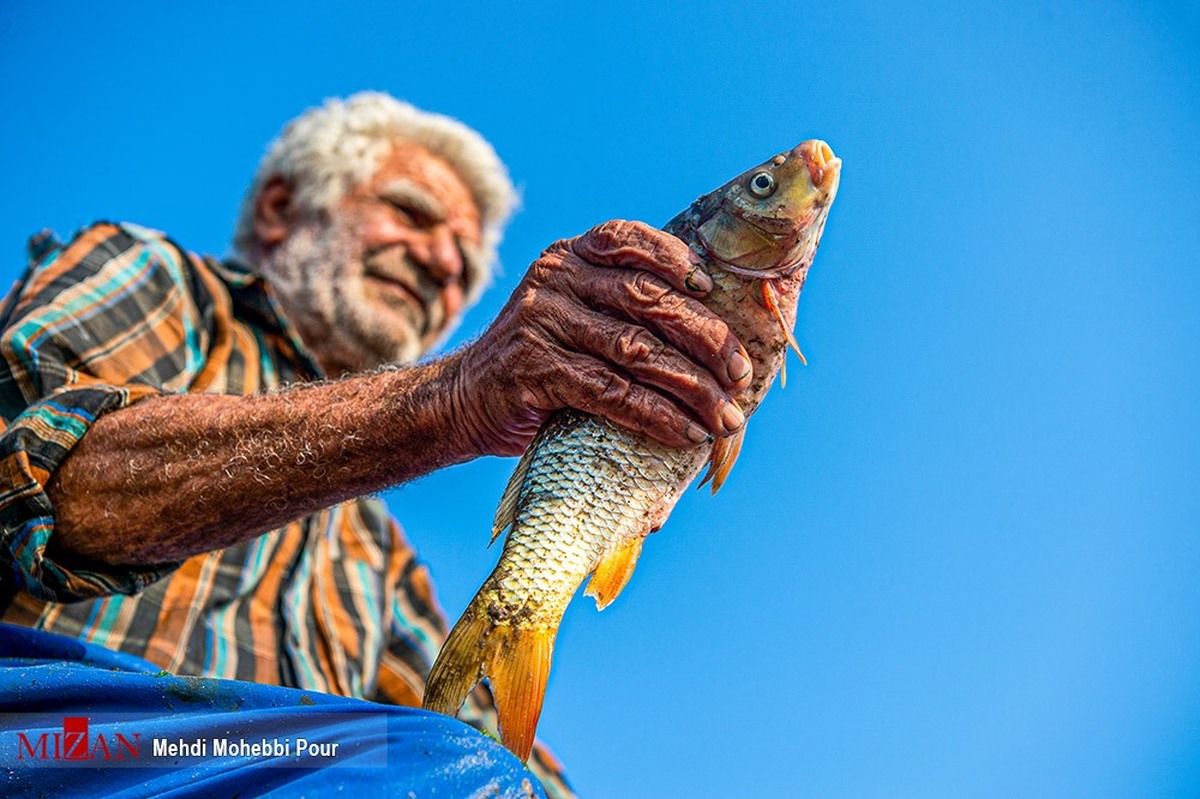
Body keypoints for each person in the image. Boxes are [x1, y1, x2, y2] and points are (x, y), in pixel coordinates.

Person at [0, 92, 751, 797]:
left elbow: (475, 724)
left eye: (466, 261)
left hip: (290, 766)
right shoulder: (164, 280)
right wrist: (451, 400)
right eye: (413, 214)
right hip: (52, 734)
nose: (442, 263)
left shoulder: (373, 549)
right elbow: (36, 474)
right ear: (281, 207)